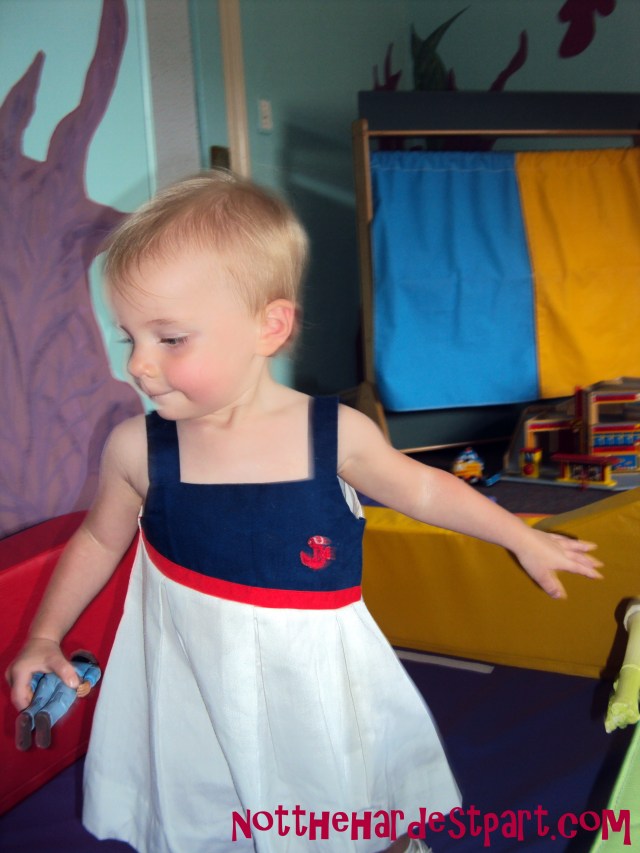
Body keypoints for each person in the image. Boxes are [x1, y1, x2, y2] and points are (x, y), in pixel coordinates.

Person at [6, 171, 602, 853]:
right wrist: (45, 634)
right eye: (128, 337)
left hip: (311, 680)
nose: (138, 365)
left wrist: (521, 536)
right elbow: (96, 540)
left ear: (269, 326)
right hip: (191, 677)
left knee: (340, 792)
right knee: (211, 796)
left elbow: (424, 490)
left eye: (169, 339)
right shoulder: (136, 449)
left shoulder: (334, 434)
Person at [15, 650, 101, 750]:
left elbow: (39, 672)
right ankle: (46, 716)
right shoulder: (89, 666)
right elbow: (96, 671)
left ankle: (28, 716)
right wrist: (88, 682)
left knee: (39, 701)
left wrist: (32, 686)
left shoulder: (62, 662)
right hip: (71, 678)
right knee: (60, 702)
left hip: (51, 676)